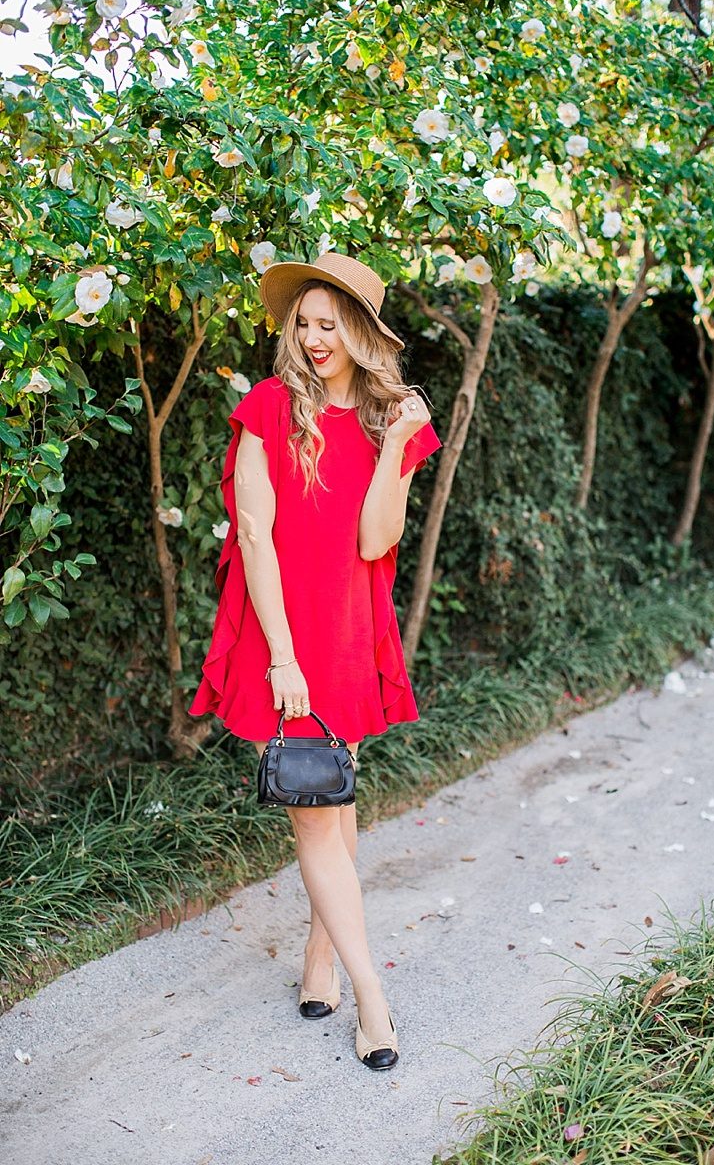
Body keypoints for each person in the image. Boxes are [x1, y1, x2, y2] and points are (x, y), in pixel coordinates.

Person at [189, 250, 442, 1070]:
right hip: (285, 636)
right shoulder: (269, 406)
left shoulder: (386, 419)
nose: (314, 337)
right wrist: (282, 661)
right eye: (305, 323)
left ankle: (321, 957)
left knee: (334, 800)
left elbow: (376, 539)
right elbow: (255, 534)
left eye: (331, 324)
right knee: (314, 812)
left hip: (347, 624)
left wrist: (400, 443)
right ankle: (374, 997)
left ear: (364, 331)